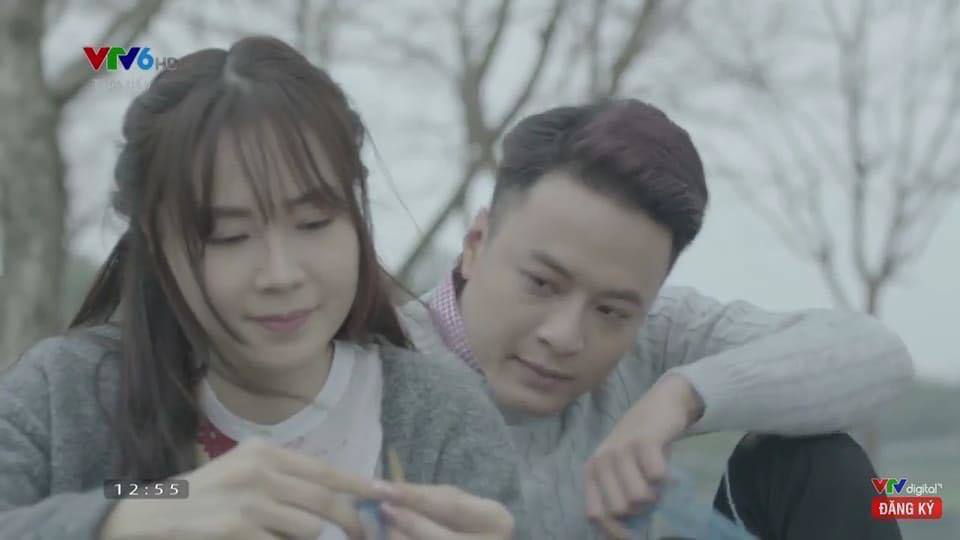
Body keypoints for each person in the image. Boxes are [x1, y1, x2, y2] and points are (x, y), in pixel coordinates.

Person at [0, 36, 523, 540]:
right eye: (228, 236)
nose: (281, 273)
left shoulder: (441, 419)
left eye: (313, 223)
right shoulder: (64, 394)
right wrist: (137, 512)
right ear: (154, 245)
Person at [399, 100, 913, 539]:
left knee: (831, 470)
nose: (565, 336)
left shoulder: (654, 335)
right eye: (541, 283)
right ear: (476, 245)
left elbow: (877, 357)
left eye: (611, 310)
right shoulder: (378, 370)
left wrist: (679, 398)